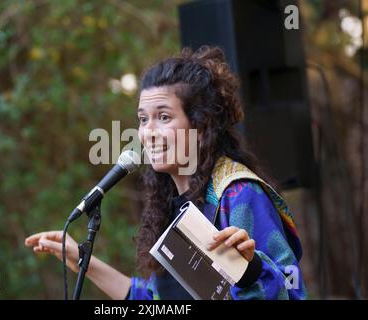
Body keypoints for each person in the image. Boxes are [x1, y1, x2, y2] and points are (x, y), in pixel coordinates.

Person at [25, 46, 307, 300]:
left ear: (200, 126)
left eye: (163, 117)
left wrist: (250, 270)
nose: (148, 132)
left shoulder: (238, 193)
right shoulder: (172, 202)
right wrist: (81, 259)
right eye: (143, 119)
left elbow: (290, 293)